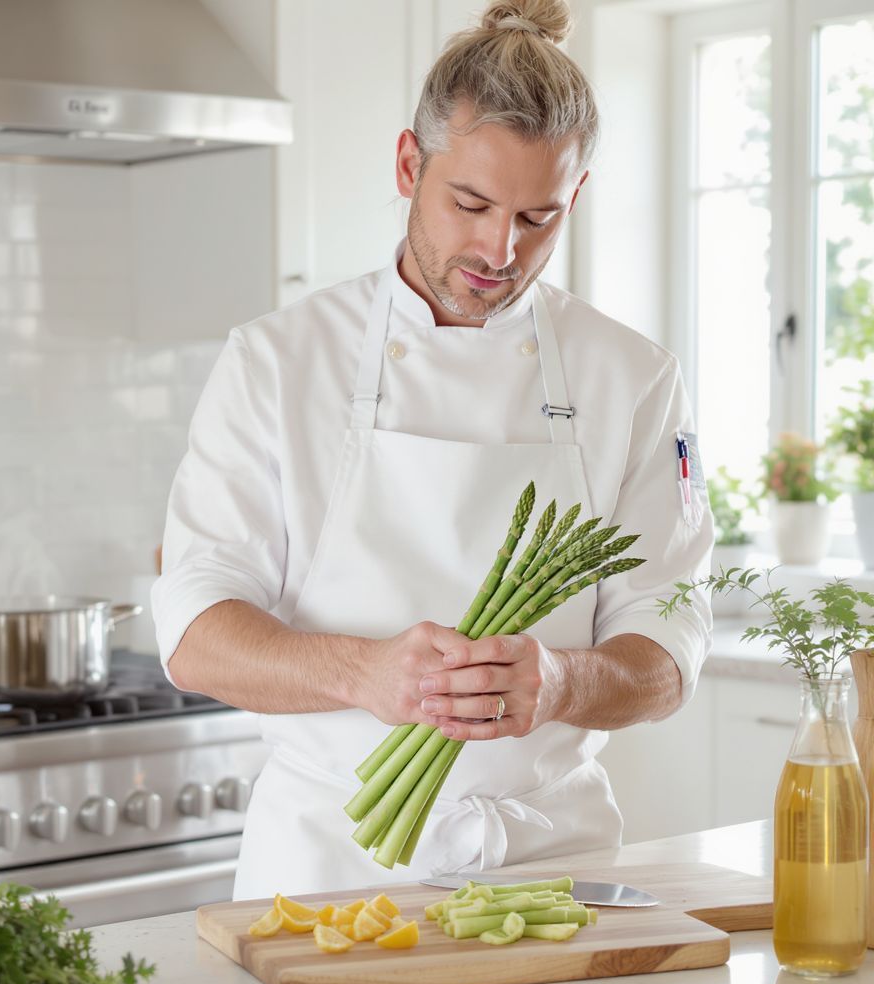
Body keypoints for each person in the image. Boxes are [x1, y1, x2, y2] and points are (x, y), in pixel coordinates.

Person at [152, 0, 714, 899]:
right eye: (472, 203)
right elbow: (193, 636)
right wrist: (366, 673)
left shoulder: (636, 378)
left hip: (553, 871)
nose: (501, 249)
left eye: (540, 217)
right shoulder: (276, 360)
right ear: (411, 164)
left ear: (578, 196)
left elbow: (669, 655)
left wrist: (563, 681)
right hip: (330, 865)